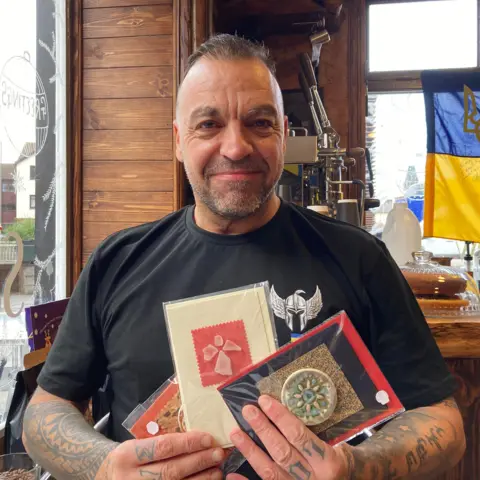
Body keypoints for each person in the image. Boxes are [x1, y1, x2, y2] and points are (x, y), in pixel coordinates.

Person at [22, 34, 465, 480]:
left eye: (258, 122)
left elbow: (443, 423)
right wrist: (103, 466)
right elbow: (45, 412)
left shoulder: (358, 257)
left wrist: (355, 468)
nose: (235, 147)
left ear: (284, 136)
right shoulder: (116, 263)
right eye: (209, 125)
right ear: (179, 141)